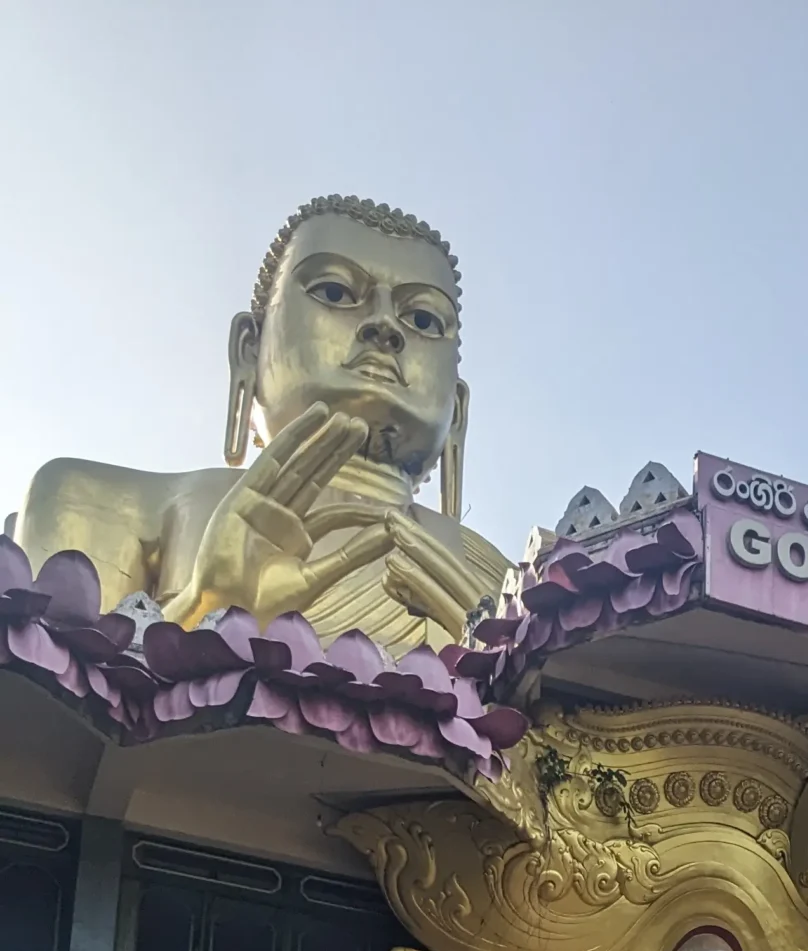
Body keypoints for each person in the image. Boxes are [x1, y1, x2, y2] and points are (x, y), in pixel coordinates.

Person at [16, 194, 509, 654]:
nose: (385, 327)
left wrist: (510, 666)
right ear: (249, 349)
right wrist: (203, 605)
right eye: (335, 291)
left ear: (457, 408)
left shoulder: (509, 583)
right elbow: (37, 699)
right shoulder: (96, 500)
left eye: (423, 320)